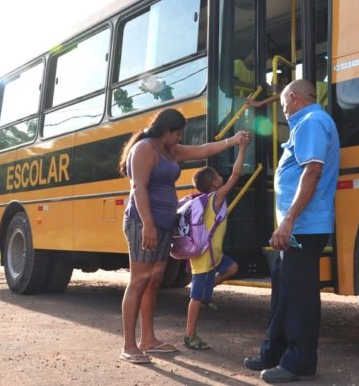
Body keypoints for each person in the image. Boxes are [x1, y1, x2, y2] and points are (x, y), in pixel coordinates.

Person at [117, 108, 250, 365]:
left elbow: (203, 150)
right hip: (143, 222)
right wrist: (148, 225)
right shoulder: (145, 149)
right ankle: (129, 345)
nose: (179, 138)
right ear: (165, 131)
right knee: (139, 280)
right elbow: (138, 188)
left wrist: (232, 142)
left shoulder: (171, 150)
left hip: (166, 223)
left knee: (155, 280)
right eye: (177, 133)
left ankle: (148, 340)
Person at [244, 79, 340, 383]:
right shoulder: (307, 123)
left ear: (295, 98)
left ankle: (299, 362)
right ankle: (274, 352)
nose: (282, 110)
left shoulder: (312, 121)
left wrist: (288, 221)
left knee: (298, 294)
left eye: (284, 103)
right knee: (283, 291)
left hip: (304, 226)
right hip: (297, 225)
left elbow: (312, 171)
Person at [182, 138, 247, 351]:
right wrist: (242, 147)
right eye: (219, 176)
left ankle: (207, 292)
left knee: (233, 267)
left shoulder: (205, 200)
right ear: (215, 184)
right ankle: (189, 335)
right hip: (204, 260)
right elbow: (236, 175)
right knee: (195, 299)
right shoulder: (215, 199)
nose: (222, 177)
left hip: (214, 256)